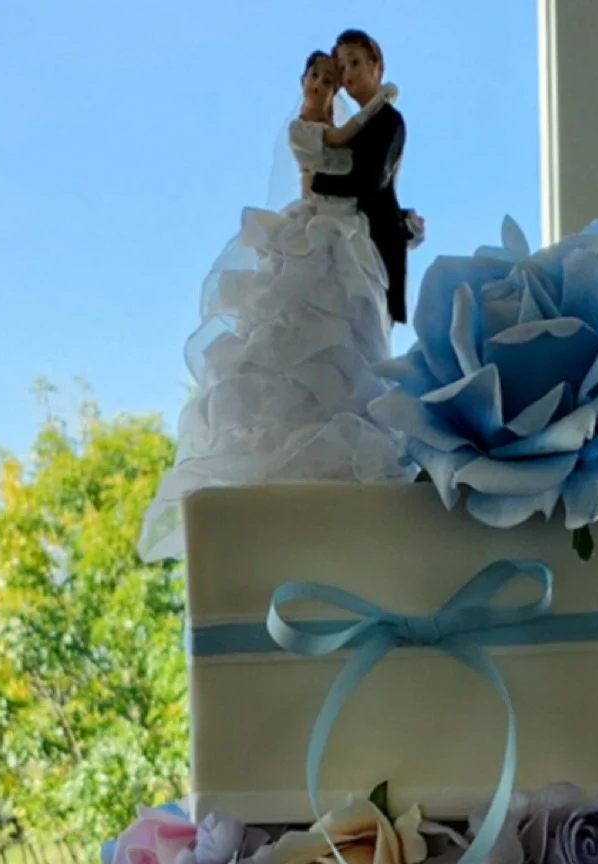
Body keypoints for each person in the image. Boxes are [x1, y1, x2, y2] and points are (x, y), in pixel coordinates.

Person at [137, 47, 413, 560]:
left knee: (345, 323)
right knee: (297, 318)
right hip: (319, 223)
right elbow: (339, 154)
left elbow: (372, 179)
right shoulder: (310, 129)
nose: (326, 83)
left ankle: (341, 458)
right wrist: (375, 106)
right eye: (322, 75)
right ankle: (295, 452)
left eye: (333, 75)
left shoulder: (365, 124)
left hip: (345, 230)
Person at [315, 29, 412, 326]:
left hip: (378, 235)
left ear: (375, 65)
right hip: (357, 231)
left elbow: (371, 179)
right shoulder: (355, 126)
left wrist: (318, 183)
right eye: (342, 67)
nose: (347, 73)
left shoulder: (388, 120)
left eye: (354, 63)